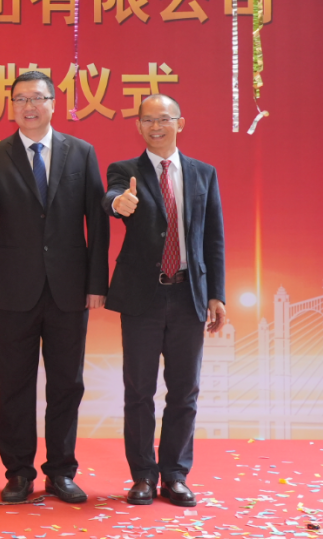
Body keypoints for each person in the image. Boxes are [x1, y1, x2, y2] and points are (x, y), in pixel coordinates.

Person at [0, 71, 109, 503]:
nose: (29, 106)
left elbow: (97, 222)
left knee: (67, 384)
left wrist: (96, 283)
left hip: (69, 289)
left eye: (37, 98)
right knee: (14, 385)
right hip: (14, 290)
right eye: (21, 99)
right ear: (12, 106)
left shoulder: (81, 152)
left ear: (52, 104)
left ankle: (61, 471)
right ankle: (19, 473)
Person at [102, 94, 225, 507]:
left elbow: (213, 238)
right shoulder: (125, 171)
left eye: (164, 119)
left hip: (189, 294)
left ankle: (174, 475)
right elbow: (112, 198)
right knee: (139, 390)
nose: (156, 127)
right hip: (143, 297)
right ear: (138, 125)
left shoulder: (203, 173)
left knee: (184, 390)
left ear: (180, 123)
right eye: (148, 120)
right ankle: (142, 475)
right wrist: (119, 203)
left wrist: (217, 294)